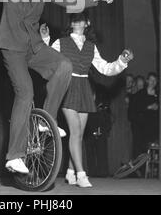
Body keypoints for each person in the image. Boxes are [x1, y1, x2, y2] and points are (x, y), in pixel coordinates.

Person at [0, 0, 115, 174]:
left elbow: (70, 0)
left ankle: (45, 121)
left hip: (35, 46)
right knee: (25, 92)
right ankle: (14, 156)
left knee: (64, 66)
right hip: (13, 47)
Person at [40, 12, 133, 187]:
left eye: (80, 18)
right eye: (74, 18)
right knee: (75, 131)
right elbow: (47, 59)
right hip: (66, 87)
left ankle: (70, 171)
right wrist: (45, 39)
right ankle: (82, 175)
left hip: (84, 89)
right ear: (71, 22)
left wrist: (121, 61)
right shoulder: (61, 42)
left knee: (79, 134)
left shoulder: (91, 46)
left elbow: (105, 68)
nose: (77, 21)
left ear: (87, 23)